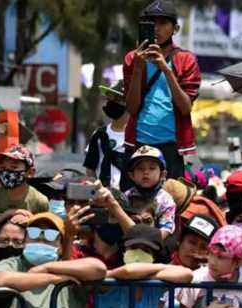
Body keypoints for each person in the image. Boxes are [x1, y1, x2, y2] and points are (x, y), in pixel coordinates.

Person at [123, 0, 202, 179]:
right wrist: (137, 68)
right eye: (152, 23)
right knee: (134, 203)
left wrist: (166, 69)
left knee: (174, 202)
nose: (157, 29)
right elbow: (132, 108)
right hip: (139, 144)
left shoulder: (186, 60)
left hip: (174, 147)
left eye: (163, 23)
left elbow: (185, 107)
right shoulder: (131, 58)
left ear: (175, 29)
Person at [0, 213, 107, 308]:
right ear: (24, 240)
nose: (41, 238)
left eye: (50, 235)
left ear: (61, 247)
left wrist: (46, 268)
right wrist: (54, 278)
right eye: (34, 232)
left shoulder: (69, 268)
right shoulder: (13, 264)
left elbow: (98, 268)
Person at [101, 224, 193, 308]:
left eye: (146, 250)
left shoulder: (154, 287)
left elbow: (187, 275)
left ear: (153, 257)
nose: (139, 253)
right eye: (133, 248)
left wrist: (142, 275)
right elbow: (128, 271)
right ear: (124, 251)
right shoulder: (109, 281)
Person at [178, 225, 242, 308]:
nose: (212, 262)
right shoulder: (196, 279)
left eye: (221, 257)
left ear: (238, 262)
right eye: (211, 253)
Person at [0, 144, 49, 236]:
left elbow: (45, 233)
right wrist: (6, 214)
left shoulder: (39, 201)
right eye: (3, 168)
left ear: (30, 172)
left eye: (13, 167)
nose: (7, 172)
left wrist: (31, 222)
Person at [85, 81, 131, 190]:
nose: (110, 103)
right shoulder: (99, 134)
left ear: (128, 102)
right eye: (109, 99)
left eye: (116, 99)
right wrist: (97, 188)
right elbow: (90, 168)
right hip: (104, 196)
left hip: (129, 197)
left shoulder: (135, 136)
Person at [124, 145, 177, 238]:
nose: (146, 172)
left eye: (152, 168)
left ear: (163, 174)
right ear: (131, 175)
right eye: (140, 168)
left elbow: (165, 231)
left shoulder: (166, 200)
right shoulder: (126, 196)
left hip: (154, 245)